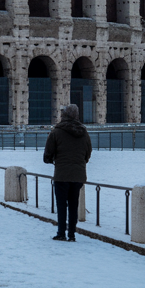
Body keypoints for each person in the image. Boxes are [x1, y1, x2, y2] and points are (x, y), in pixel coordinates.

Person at [43, 103, 92, 242]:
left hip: (62, 174)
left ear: (64, 115)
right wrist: (80, 163)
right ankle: (72, 234)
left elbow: (48, 153)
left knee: (61, 205)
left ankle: (61, 233)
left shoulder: (57, 131)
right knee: (73, 204)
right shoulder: (84, 132)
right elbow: (88, 152)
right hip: (78, 175)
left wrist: (51, 159)